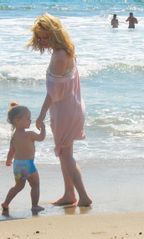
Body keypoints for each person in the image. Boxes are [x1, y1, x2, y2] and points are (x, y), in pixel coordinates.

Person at [27, 13, 92, 207]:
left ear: (55, 34)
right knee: (64, 152)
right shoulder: (66, 51)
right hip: (70, 106)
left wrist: (41, 114)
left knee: (65, 154)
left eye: (45, 36)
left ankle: (83, 196)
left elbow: (53, 93)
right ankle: (69, 194)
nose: (41, 40)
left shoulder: (59, 56)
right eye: (39, 37)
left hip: (64, 109)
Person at [1, 102, 46, 213]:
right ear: (17, 120)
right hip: (28, 165)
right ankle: (34, 205)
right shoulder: (29, 134)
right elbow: (41, 138)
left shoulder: (14, 136)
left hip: (17, 165)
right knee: (35, 184)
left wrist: (8, 160)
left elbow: (11, 150)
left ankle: (6, 203)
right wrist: (43, 128)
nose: (30, 120)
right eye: (28, 118)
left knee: (18, 186)